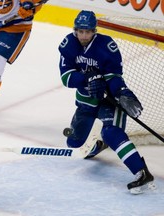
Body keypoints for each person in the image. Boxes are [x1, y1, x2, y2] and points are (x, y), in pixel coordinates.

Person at [58, 10, 155, 194]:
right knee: (74, 143)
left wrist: (121, 92)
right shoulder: (68, 44)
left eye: (88, 32)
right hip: (86, 101)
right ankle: (99, 145)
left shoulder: (106, 45)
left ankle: (141, 172)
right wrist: (88, 78)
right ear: (75, 30)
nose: (84, 36)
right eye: (81, 31)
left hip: (109, 101)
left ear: (94, 31)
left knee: (111, 132)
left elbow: (113, 76)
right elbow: (66, 78)